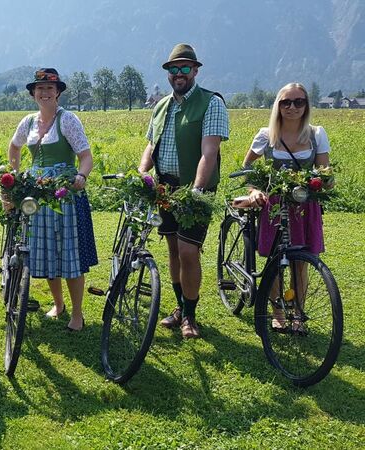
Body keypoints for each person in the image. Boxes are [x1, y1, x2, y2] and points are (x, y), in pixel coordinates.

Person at [138, 43, 229, 338]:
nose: (179, 73)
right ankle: (179, 308)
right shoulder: (162, 106)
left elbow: (209, 152)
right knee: (174, 249)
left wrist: (198, 191)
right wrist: (141, 174)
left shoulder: (211, 103)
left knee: (190, 251)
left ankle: (190, 315)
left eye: (185, 68)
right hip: (165, 187)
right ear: (168, 74)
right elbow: (152, 146)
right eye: (173, 69)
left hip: (195, 189)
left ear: (195, 71)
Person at [8, 68, 98, 332]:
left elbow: (86, 156)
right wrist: (15, 174)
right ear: (33, 94)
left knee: (69, 254)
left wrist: (81, 175)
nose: (44, 93)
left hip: (64, 194)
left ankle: (78, 313)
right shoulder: (28, 122)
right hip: (38, 196)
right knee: (46, 251)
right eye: (39, 88)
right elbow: (14, 147)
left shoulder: (68, 120)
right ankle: (58, 304)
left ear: (58, 92)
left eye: (49, 88)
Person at [240, 83, 330, 333]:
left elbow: (325, 172)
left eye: (298, 102)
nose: (292, 107)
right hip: (275, 205)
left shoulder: (316, 134)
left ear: (306, 105)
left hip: (305, 206)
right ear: (277, 105)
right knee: (274, 259)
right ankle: (278, 311)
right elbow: (247, 170)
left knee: (301, 262)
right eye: (286, 102)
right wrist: (255, 190)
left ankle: (299, 313)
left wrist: (324, 182)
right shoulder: (265, 135)